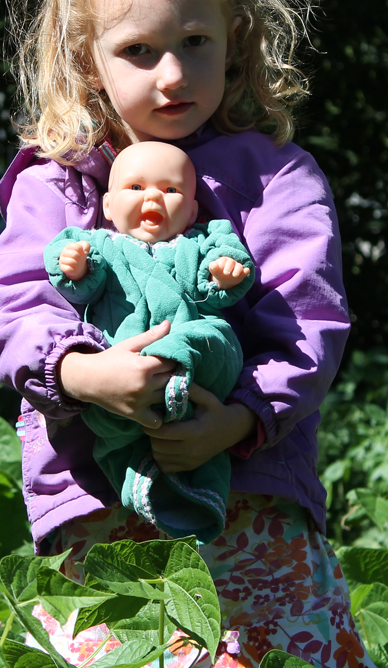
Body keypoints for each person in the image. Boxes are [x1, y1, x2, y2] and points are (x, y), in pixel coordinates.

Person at [0, 0, 382, 668]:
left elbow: (309, 324)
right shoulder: (59, 182)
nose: (172, 74)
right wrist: (84, 373)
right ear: (86, 60)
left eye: (195, 42)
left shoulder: (275, 178)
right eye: (138, 50)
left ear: (235, 40)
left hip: (249, 500)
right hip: (97, 504)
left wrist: (237, 419)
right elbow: (15, 306)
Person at [46, 140, 255, 544]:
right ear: (108, 206)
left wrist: (224, 273)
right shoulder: (102, 247)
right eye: (136, 188)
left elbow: (218, 287)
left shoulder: (196, 244)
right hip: (121, 378)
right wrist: (73, 265)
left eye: (171, 190)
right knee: (111, 424)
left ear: (191, 211)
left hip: (198, 367)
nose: (153, 197)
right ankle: (153, 485)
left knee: (216, 336)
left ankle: (176, 374)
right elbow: (79, 283)